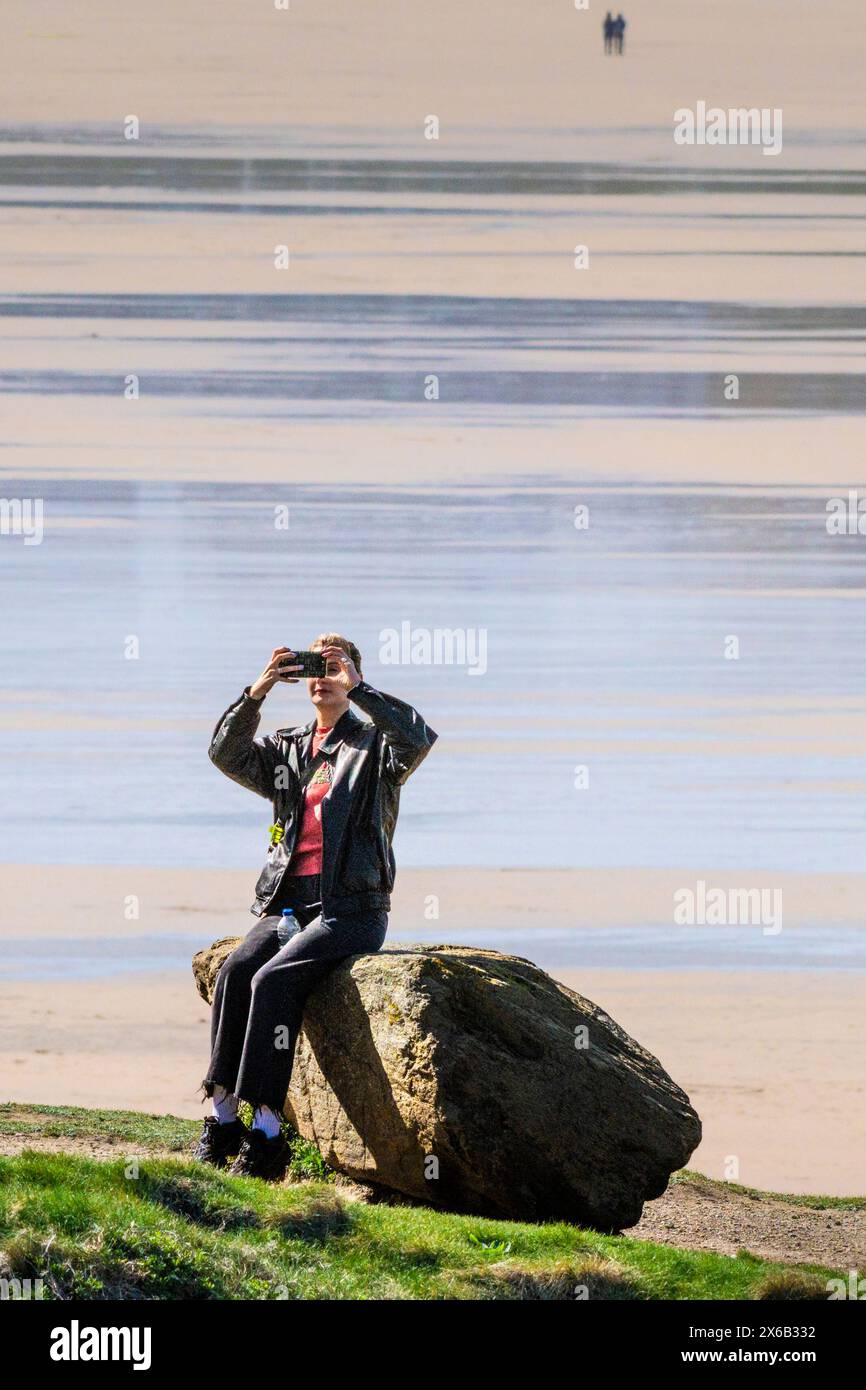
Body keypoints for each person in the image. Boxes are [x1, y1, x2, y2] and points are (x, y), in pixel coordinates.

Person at [194, 633, 437, 1180]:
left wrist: (361, 687)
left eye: (334, 666)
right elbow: (224, 753)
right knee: (236, 972)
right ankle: (222, 1118)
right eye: (313, 668)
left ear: (351, 676)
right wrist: (256, 691)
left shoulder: (375, 747)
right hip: (286, 906)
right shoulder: (287, 748)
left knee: (272, 982)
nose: (321, 676)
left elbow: (418, 738)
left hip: (349, 909)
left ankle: (268, 1137)